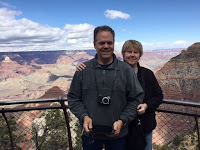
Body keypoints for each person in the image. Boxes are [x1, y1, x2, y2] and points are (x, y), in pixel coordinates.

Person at [67, 26, 144, 150]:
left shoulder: (126, 70)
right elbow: (73, 98)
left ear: (114, 44)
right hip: (90, 135)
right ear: (94, 44)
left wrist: (122, 120)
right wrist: (84, 116)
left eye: (110, 42)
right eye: (102, 43)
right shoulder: (83, 70)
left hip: (118, 136)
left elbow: (136, 98)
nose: (106, 46)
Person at [76, 40, 163, 150]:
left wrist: (146, 105)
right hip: (120, 128)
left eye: (135, 52)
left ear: (140, 55)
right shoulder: (114, 72)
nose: (132, 55)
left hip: (143, 125)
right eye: (129, 52)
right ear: (123, 54)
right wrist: (83, 68)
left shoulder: (147, 74)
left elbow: (158, 96)